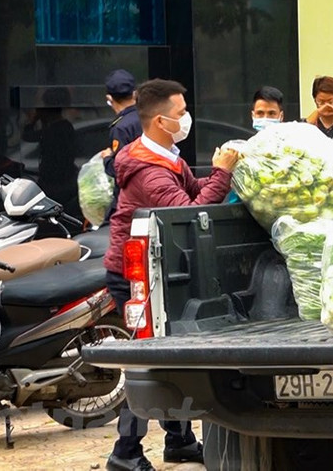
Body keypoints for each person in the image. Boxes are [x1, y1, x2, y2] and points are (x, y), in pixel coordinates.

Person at [104, 79, 239, 471]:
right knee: (148, 358)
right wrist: (221, 173)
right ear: (161, 120)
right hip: (133, 275)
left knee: (167, 351)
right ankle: (124, 452)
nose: (186, 118)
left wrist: (225, 176)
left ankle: (179, 440)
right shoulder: (149, 170)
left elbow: (197, 187)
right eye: (181, 113)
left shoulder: (165, 156)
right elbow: (189, 209)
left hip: (157, 268)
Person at [22, 86, 81, 220]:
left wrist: (33, 120)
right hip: (60, 179)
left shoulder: (56, 129)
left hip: (57, 181)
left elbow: (28, 136)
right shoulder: (61, 127)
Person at [101, 69, 141, 222]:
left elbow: (121, 171)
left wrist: (107, 159)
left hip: (129, 203)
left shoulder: (121, 127)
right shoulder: (149, 118)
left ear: (109, 98)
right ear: (135, 94)